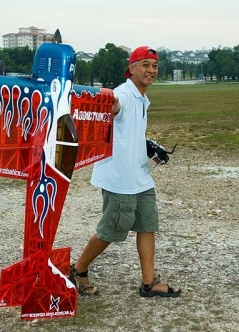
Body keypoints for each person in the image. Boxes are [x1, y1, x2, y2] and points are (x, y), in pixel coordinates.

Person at [69, 46, 181, 298]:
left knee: (147, 226)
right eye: (145, 65)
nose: (151, 70)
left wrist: (146, 146)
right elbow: (113, 106)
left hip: (140, 177)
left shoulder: (141, 97)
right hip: (120, 179)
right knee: (110, 231)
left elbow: (125, 132)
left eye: (154, 66)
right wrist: (106, 102)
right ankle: (78, 269)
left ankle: (149, 282)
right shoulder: (124, 95)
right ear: (131, 68)